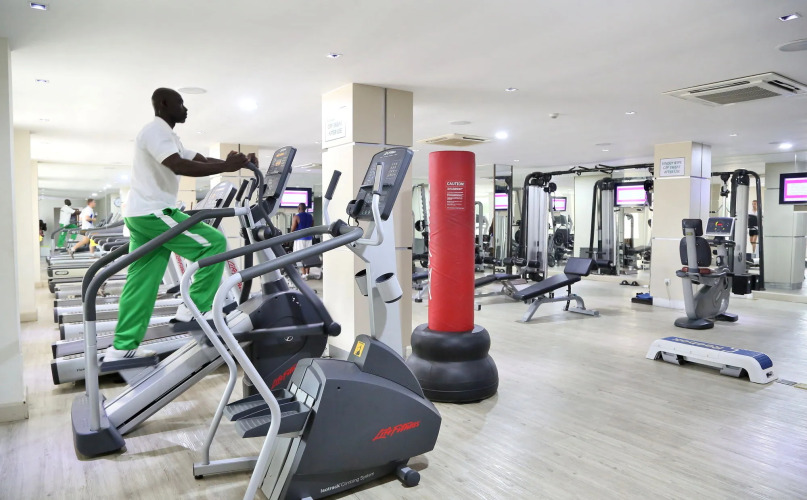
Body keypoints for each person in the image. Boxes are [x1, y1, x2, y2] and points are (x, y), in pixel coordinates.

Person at [105, 87, 253, 361]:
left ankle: (123, 346)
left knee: (142, 282)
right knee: (214, 243)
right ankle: (193, 308)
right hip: (154, 212)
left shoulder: (169, 136)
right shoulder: (155, 131)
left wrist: (235, 164)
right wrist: (227, 167)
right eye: (181, 103)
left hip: (140, 215)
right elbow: (178, 166)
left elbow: (198, 160)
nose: (185, 108)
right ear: (164, 104)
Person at [290, 202, 314, 278]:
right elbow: (312, 226)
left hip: (299, 239)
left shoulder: (296, 217)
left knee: (299, 256)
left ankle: (303, 274)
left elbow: (292, 229)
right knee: (308, 256)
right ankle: (307, 273)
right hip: (309, 238)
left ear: (299, 208)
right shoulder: (310, 216)